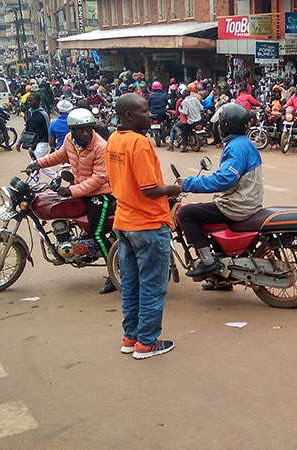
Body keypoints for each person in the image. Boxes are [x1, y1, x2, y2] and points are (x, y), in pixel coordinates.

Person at [105, 93, 180, 359]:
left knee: (132, 284)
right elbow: (150, 189)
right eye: (145, 111)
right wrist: (174, 188)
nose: (150, 115)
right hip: (148, 224)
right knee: (151, 286)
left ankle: (130, 338)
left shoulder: (113, 139)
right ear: (129, 115)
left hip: (124, 222)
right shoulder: (139, 143)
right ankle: (147, 343)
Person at [27, 108, 117, 294]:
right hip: (81, 190)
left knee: (97, 232)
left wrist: (72, 190)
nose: (85, 133)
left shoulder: (100, 146)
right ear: (72, 130)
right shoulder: (70, 140)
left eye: (88, 129)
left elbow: (99, 178)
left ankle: (114, 273)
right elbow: (60, 155)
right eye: (80, 130)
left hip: (101, 194)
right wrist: (39, 163)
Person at [176, 103, 263, 279]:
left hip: (237, 205)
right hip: (246, 200)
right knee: (208, 213)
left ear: (225, 126)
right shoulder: (243, 143)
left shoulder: (236, 147)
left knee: (186, 213)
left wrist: (188, 184)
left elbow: (224, 179)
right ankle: (222, 278)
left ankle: (208, 261)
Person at [18, 92, 54, 181]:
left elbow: (48, 128)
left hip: (43, 142)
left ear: (38, 101)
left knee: (35, 163)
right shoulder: (30, 113)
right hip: (33, 142)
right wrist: (19, 141)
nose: (29, 103)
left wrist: (51, 145)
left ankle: (36, 185)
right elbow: (27, 128)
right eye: (28, 101)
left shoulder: (43, 114)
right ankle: (56, 176)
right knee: (40, 164)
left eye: (31, 101)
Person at [176, 86, 203, 153]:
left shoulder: (184, 102)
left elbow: (185, 112)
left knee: (183, 133)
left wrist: (180, 110)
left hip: (190, 122)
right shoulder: (195, 99)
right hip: (199, 120)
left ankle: (184, 147)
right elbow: (201, 108)